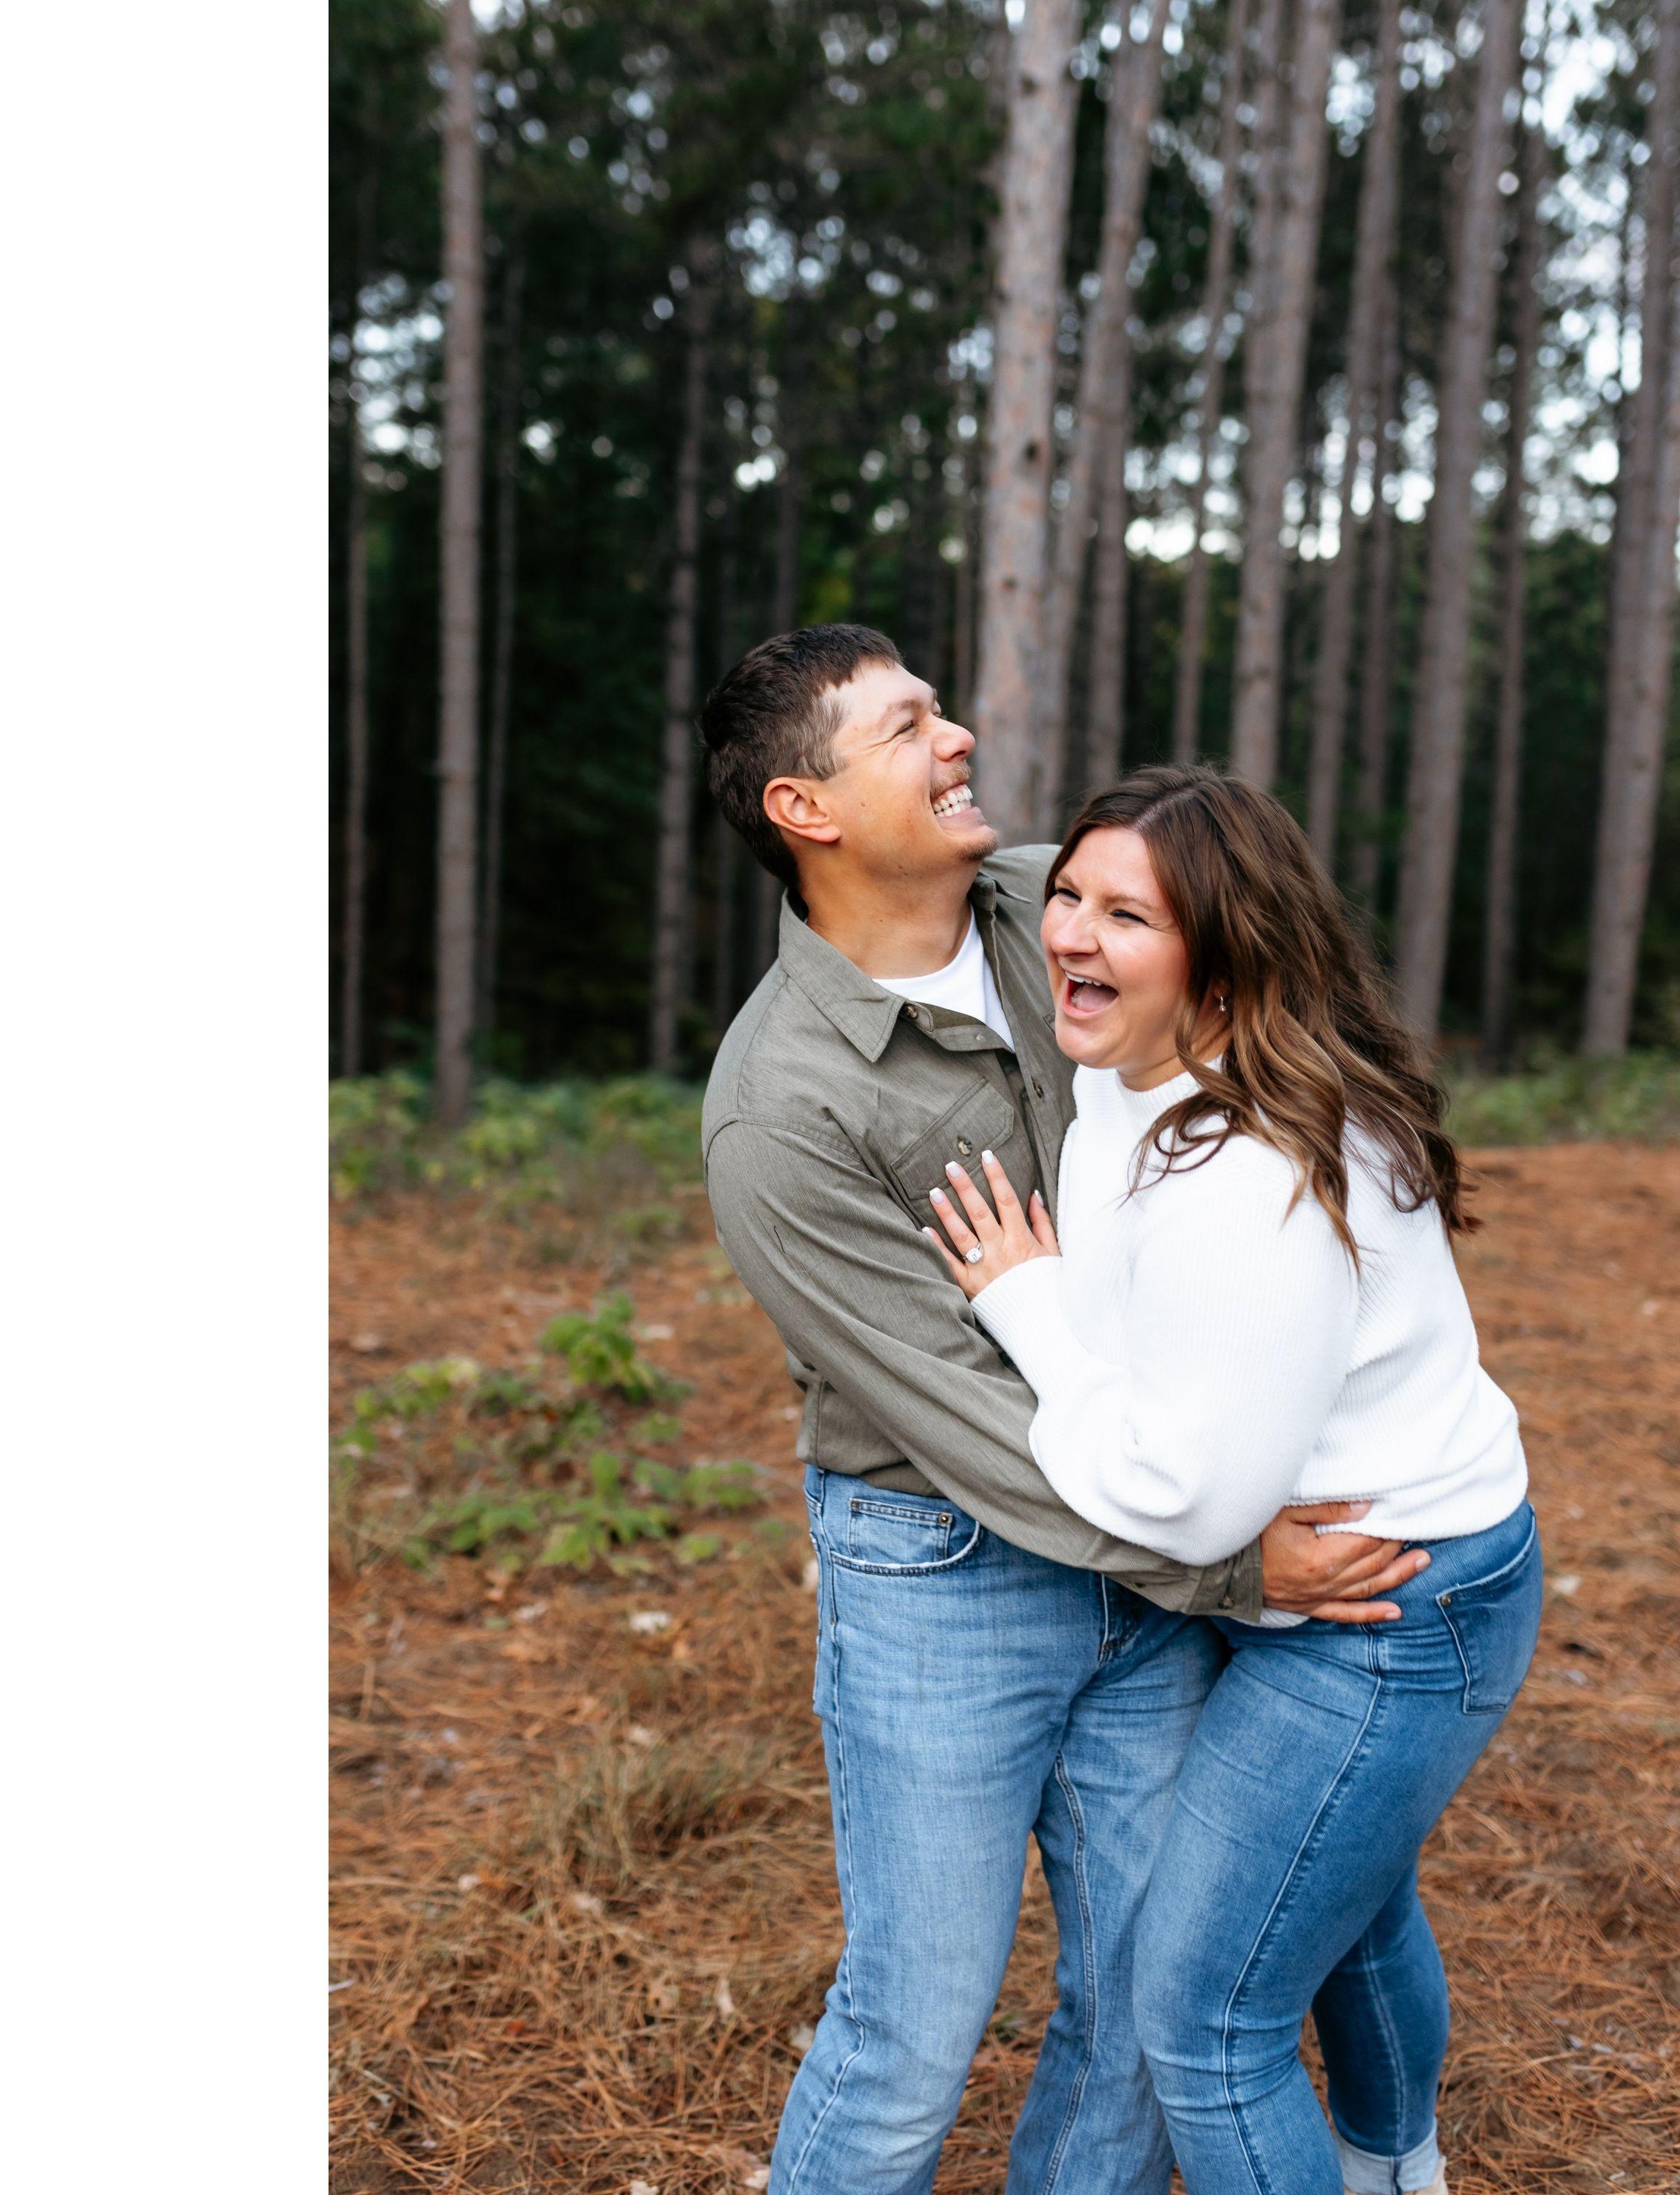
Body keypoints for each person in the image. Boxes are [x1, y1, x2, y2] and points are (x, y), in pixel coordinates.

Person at [695, 628, 1431, 2195]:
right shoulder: (782, 1107)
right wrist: (1224, 1567)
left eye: (940, 709)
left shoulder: (1066, 906)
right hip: (951, 1574)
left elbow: (1270, 1041)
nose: (957, 736)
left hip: (1151, 1526)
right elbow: (962, 1419)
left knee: (1145, 2005)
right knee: (913, 2031)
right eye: (907, 726)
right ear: (804, 809)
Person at [926, 764, 1542, 2195]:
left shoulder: (1247, 1177)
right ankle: (1398, 2171)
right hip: (1366, 1573)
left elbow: (1185, 1505)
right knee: (1352, 1911)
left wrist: (1023, 1307)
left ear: (1224, 959)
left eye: (1127, 915)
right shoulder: (1136, 1081)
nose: (1070, 933)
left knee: (1206, 2022)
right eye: (1067, 894)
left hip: (1384, 1608)